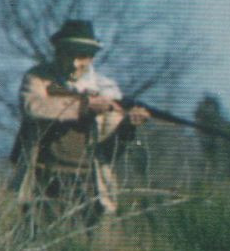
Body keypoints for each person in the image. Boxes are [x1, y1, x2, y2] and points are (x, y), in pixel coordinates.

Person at [11, 19, 150, 217]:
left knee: (85, 244)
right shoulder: (37, 78)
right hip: (41, 178)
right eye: (70, 54)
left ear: (92, 58)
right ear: (58, 52)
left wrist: (128, 125)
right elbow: (32, 107)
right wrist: (84, 106)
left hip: (88, 183)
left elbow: (109, 149)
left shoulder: (107, 88)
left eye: (83, 56)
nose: (76, 63)